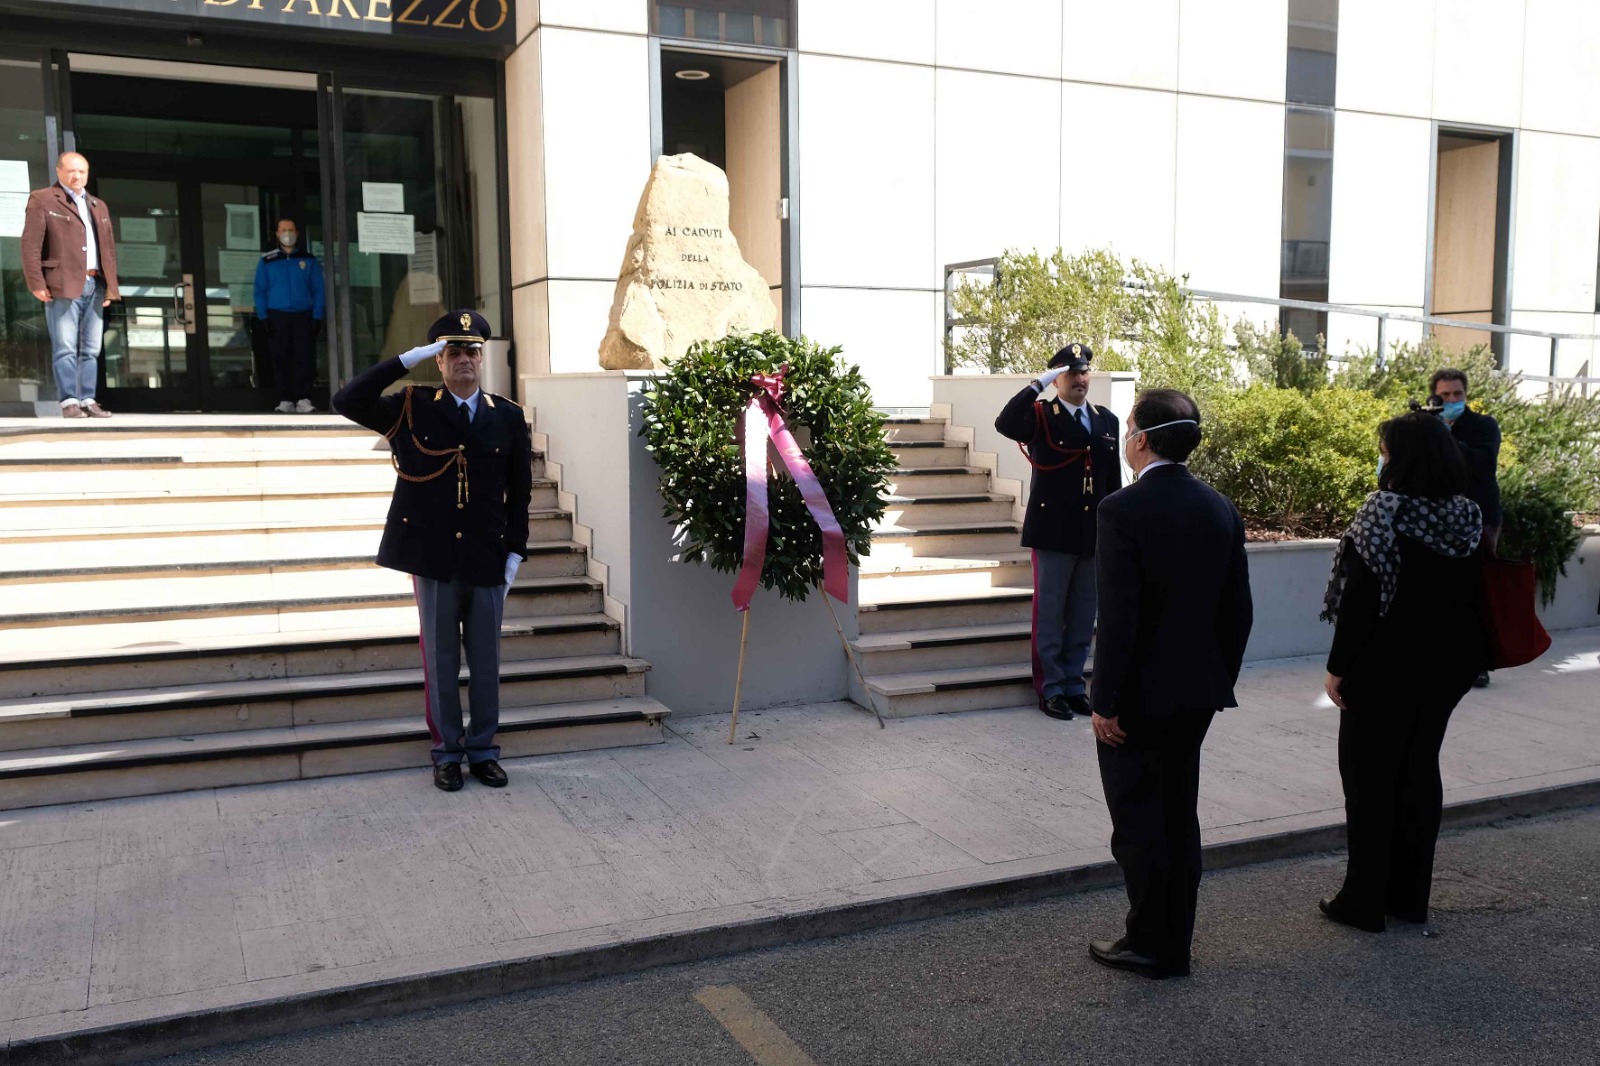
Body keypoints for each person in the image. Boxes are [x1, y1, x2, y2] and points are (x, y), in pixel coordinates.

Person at [1087, 388, 1253, 979]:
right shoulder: (1219, 507)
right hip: (1198, 691)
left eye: (1130, 425)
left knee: (1139, 823)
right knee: (1179, 816)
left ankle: (1150, 943)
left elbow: (1120, 617)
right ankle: (1172, 939)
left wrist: (1105, 700)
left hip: (1140, 697)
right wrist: (1215, 677)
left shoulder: (1121, 510)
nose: (1125, 434)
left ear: (1145, 439)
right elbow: (1239, 612)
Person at [332, 309, 532, 792]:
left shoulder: (506, 415)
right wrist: (404, 360)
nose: (465, 359)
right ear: (438, 361)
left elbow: (519, 492)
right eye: (454, 352)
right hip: (432, 556)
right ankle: (446, 752)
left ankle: (483, 750)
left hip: (486, 555)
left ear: (483, 359)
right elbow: (346, 399)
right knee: (441, 660)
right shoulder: (411, 406)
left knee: (485, 662)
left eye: (472, 352)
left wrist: (515, 554)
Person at [1318, 411, 1489, 933]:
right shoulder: (1466, 515)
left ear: (1401, 456)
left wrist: (1337, 670)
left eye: (1385, 450)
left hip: (1385, 666)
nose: (1382, 458)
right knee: (1418, 771)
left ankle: (1363, 901)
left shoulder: (1383, 510)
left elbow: (1361, 602)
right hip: (1449, 665)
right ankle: (1409, 897)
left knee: (1369, 778)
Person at [994, 343, 1122, 720]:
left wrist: (1114, 530)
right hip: (1052, 531)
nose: (1080, 379)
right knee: (1050, 615)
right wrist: (1038, 385)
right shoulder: (1040, 416)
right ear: (1057, 378)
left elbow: (1112, 480)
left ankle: (1072, 685)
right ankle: (1050, 688)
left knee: (1084, 614)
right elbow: (1004, 423)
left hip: (1091, 533)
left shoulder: (1106, 420)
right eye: (1070, 373)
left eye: (1084, 372)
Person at [20, 151, 120, 419]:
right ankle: (69, 402)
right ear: (59, 171)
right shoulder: (42, 199)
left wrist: (110, 286)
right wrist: (36, 282)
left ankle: (88, 399)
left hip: (95, 284)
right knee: (65, 346)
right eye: (71, 171)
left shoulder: (98, 205)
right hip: (61, 283)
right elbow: (30, 245)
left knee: (91, 349)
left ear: (88, 174)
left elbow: (108, 250)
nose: (77, 176)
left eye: (82, 172)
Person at [1431, 368, 1500, 688]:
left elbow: (1482, 465)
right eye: (1445, 395)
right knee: (1443, 591)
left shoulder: (1483, 426)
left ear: (1466, 394)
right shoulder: (1428, 428)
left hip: (1480, 518)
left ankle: (1480, 663)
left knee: (1480, 588)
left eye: (1457, 394)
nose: (1452, 400)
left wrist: (1447, 436)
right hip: (1439, 519)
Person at [254, 217, 326, 413]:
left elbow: (319, 289)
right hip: (277, 316)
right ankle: (285, 399)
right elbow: (260, 291)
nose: (288, 233)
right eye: (284, 230)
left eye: (291, 229)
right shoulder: (267, 261)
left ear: (297, 233)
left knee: (305, 358)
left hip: (303, 315)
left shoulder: (308, 259)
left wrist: (317, 316)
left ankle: (304, 398)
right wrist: (264, 317)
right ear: (277, 234)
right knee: (280, 358)